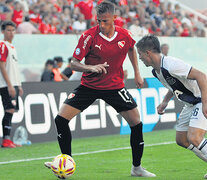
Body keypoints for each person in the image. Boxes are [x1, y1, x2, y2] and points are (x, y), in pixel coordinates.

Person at [44, 1, 156, 177]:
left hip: (114, 87)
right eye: (99, 21)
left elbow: (131, 49)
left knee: (136, 122)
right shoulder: (88, 36)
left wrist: (137, 73)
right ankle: (66, 164)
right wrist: (90, 68)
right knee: (60, 119)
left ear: (114, 18)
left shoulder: (124, 35)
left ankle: (137, 168)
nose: (101, 25)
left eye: (105, 21)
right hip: (89, 86)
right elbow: (73, 62)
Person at [136, 35, 207, 178]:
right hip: (190, 104)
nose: (140, 58)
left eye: (140, 54)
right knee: (181, 140)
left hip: (200, 99)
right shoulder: (156, 71)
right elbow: (174, 86)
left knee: (194, 137)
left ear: (148, 53)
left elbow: (201, 76)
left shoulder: (171, 64)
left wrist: (205, 103)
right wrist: (164, 101)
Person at [0, 21, 23, 148]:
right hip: (5, 84)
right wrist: (9, 85)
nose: (11, 33)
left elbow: (13, 68)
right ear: (3, 31)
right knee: (9, 109)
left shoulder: (12, 47)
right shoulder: (3, 45)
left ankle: (8, 139)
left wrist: (18, 85)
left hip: (13, 83)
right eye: (8, 30)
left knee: (11, 110)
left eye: (13, 30)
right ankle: (6, 140)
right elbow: (2, 65)